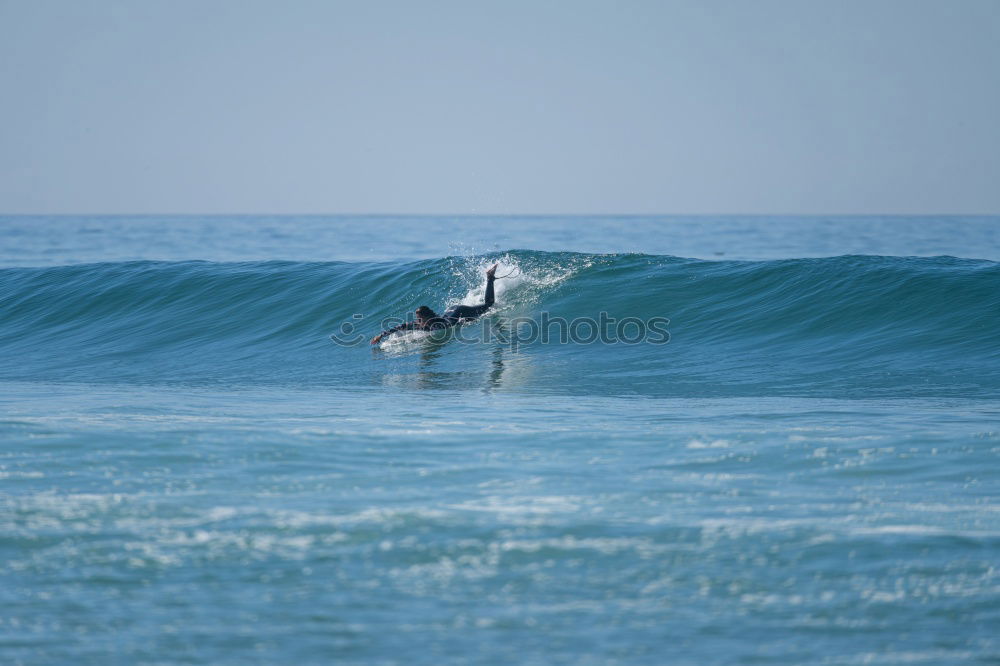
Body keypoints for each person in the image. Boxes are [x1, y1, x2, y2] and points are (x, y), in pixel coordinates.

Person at [370, 263, 499, 344]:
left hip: (459, 310)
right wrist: (380, 336)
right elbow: (400, 327)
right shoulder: (424, 324)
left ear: (427, 317)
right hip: (451, 311)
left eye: (420, 319)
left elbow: (458, 322)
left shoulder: (439, 324)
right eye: (418, 319)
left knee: (489, 305)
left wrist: (470, 320)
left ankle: (490, 278)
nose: (418, 321)